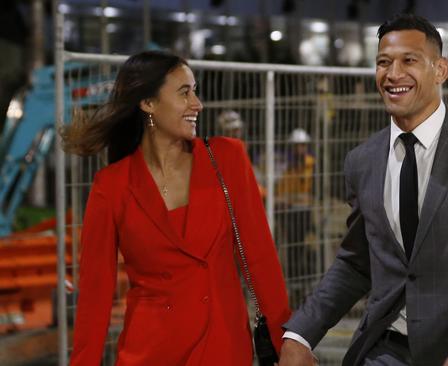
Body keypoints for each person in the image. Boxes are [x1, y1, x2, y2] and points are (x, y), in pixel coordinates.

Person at [279, 13, 448, 366]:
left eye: (409, 60)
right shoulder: (362, 161)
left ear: (440, 70)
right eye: (383, 62)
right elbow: (356, 262)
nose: (393, 74)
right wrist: (300, 334)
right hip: (385, 350)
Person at [61, 50, 290, 365]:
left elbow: (261, 260)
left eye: (195, 91)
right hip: (150, 352)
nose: (197, 104)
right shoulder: (111, 186)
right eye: (185, 93)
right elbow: (95, 293)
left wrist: (288, 342)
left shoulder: (228, 158)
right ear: (148, 103)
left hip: (222, 348)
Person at [275, 128, 316, 306]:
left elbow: (316, 188)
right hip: (289, 213)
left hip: (306, 212)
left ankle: (308, 286)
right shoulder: (286, 166)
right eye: (297, 146)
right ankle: (294, 288)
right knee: (292, 250)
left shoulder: (311, 164)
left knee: (308, 249)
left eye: (303, 145)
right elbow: (281, 192)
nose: (300, 149)